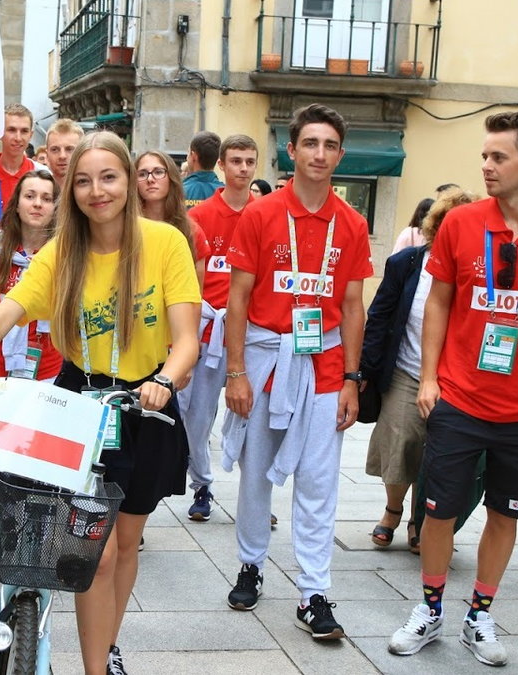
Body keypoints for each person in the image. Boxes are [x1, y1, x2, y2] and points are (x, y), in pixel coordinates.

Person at [0, 130, 201, 675]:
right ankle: (97, 668)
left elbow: (187, 336)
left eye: (110, 177)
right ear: (71, 190)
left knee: (125, 544)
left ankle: (107, 644)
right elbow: (9, 310)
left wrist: (165, 379)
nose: (98, 191)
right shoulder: (62, 251)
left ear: (127, 180)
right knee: (91, 554)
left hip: (144, 402)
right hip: (80, 401)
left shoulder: (165, 242)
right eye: (85, 181)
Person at [387, 111, 518, 667]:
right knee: (439, 512)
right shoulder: (460, 224)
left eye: (497, 157)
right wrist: (430, 378)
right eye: (483, 155)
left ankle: (479, 614)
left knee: (506, 514)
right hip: (460, 398)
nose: (485, 166)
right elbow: (436, 301)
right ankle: (430, 608)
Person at [221, 104, 372, 641]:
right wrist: (234, 372)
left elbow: (354, 306)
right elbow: (237, 299)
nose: (320, 154)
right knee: (257, 471)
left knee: (318, 482)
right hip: (265, 361)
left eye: (330, 145)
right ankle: (251, 563)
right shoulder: (261, 214)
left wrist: (354, 379)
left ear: (340, 155)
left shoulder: (352, 224)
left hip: (326, 366)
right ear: (292, 149)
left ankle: (314, 592)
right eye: (311, 143)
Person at [361, 188, 476, 553]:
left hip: (457, 379)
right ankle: (392, 511)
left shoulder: (479, 270)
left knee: (437, 454)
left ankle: (420, 521)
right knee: (400, 444)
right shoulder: (407, 263)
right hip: (406, 370)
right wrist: (364, 369)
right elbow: (379, 315)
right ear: (436, 227)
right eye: (449, 225)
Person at [179, 134, 259, 522]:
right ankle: (202, 485)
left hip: (253, 330)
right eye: (236, 161)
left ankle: (255, 494)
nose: (243, 168)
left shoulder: (268, 214)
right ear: (222, 166)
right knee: (197, 415)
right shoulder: (199, 216)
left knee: (254, 417)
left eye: (249, 162)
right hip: (210, 327)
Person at [0, 170, 62, 385]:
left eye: (46, 199)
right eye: (30, 196)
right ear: (17, 204)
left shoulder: (65, 254)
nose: (37, 204)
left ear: (55, 208)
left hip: (49, 369)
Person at [135, 150, 207, 287]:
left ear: (171, 178)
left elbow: (196, 294)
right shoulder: (125, 228)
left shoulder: (192, 231)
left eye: (158, 172)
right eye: (142, 174)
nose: (150, 179)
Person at [0, 103, 48, 221]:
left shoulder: (43, 174)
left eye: (24, 131)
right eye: (11, 130)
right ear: (0, 133)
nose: (18, 138)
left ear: (31, 135)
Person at [182, 131, 223, 208]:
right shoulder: (226, 193)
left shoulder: (177, 191)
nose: (187, 158)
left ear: (194, 156)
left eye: (188, 153)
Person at [45, 118, 85, 188]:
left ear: (82, 152)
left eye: (69, 149)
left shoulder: (92, 192)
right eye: (55, 149)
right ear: (47, 155)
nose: (62, 156)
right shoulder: (38, 192)